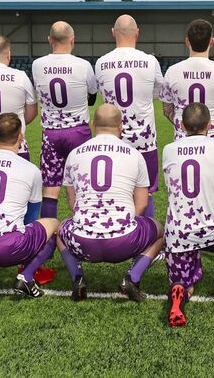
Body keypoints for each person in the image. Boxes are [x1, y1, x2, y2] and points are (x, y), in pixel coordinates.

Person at [57, 104, 165, 302]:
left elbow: (73, 204)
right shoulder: (134, 154)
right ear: (121, 126)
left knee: (60, 230)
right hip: (124, 243)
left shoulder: (74, 155)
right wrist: (123, 226)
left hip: (83, 243)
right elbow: (142, 204)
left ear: (93, 124)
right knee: (160, 231)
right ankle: (132, 277)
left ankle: (77, 278)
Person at [0, 113, 60, 299]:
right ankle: (25, 276)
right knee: (53, 224)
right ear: (21, 136)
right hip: (11, 248)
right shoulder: (31, 170)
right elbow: (32, 217)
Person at [161, 103, 214, 327]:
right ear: (210, 125)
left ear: (182, 125)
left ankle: (179, 292)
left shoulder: (169, 149)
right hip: (210, 230)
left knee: (184, 284)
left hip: (178, 234)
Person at [94, 15, 163, 218]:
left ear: (113, 32)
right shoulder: (150, 61)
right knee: (146, 191)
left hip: (114, 137)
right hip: (144, 139)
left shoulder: (101, 62)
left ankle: (115, 229)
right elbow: (162, 90)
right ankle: (146, 234)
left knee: (116, 190)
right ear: (137, 33)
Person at [32, 21, 97, 219]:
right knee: (81, 185)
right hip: (78, 132)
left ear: (49, 40)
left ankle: (49, 233)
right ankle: (84, 225)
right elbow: (92, 96)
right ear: (73, 40)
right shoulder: (83, 65)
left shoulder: (37, 65)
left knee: (50, 189)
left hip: (51, 133)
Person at [160, 19, 214, 140]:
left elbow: (167, 110)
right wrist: (213, 129)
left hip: (183, 141)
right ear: (212, 41)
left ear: (187, 42)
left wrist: (184, 128)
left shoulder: (172, 71)